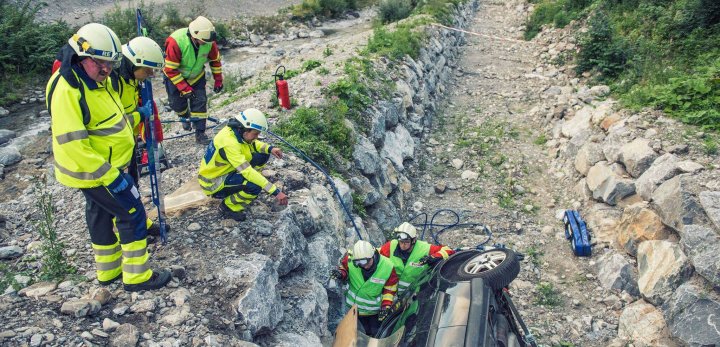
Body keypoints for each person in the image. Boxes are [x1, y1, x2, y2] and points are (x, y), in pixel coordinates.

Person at [47, 23, 171, 292]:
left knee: (100, 215)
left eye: (111, 64)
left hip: (107, 165)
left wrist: (139, 117)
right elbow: (74, 147)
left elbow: (115, 121)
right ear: (80, 55)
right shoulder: (68, 90)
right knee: (132, 212)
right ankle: (137, 277)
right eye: (100, 62)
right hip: (96, 170)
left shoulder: (94, 81)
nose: (106, 69)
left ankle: (109, 272)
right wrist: (113, 176)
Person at [114, 36, 169, 240]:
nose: (150, 75)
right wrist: (140, 114)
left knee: (134, 187)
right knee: (120, 196)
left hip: (126, 144)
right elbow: (113, 121)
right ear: (134, 63)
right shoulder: (113, 81)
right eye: (147, 71)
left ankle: (141, 222)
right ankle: (126, 233)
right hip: (112, 151)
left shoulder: (130, 80)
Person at [197, 108, 288, 221]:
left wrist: (270, 148)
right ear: (244, 129)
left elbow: (251, 143)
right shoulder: (229, 144)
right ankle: (227, 207)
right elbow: (247, 171)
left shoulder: (236, 132)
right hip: (214, 183)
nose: (256, 137)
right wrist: (275, 192)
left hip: (227, 170)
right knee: (255, 187)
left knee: (263, 154)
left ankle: (248, 183)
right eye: (255, 134)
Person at [163, 16, 223, 144]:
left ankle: (200, 133)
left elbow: (215, 61)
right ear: (194, 36)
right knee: (176, 104)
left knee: (200, 102)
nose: (207, 44)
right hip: (175, 77)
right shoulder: (176, 41)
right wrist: (184, 88)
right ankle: (184, 115)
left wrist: (218, 80)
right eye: (204, 41)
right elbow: (170, 69)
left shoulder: (208, 41)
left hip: (196, 76)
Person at [331, 240, 399, 337]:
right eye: (359, 263)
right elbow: (344, 270)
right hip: (353, 311)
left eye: (365, 261)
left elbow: (390, 288)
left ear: (373, 255)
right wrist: (341, 274)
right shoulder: (350, 260)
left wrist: (386, 306)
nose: (364, 265)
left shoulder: (387, 266)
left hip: (373, 313)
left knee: (375, 336)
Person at [378, 222, 455, 295]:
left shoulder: (424, 248)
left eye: (406, 242)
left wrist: (433, 257)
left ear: (413, 240)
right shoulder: (391, 245)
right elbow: (376, 254)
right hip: (392, 293)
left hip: (414, 294)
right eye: (400, 242)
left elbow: (448, 250)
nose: (402, 245)